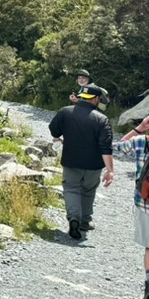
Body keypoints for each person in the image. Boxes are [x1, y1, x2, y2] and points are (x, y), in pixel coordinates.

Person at [49, 84, 114, 239]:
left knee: (71, 188)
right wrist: (110, 170)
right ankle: (85, 221)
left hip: (71, 160)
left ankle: (73, 218)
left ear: (81, 97)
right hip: (93, 165)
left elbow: (54, 130)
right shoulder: (102, 119)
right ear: (97, 99)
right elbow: (106, 147)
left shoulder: (65, 112)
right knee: (88, 191)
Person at [115, 113, 149, 299]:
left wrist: (139, 129)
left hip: (145, 203)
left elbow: (118, 147)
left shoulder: (140, 142)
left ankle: (148, 286)